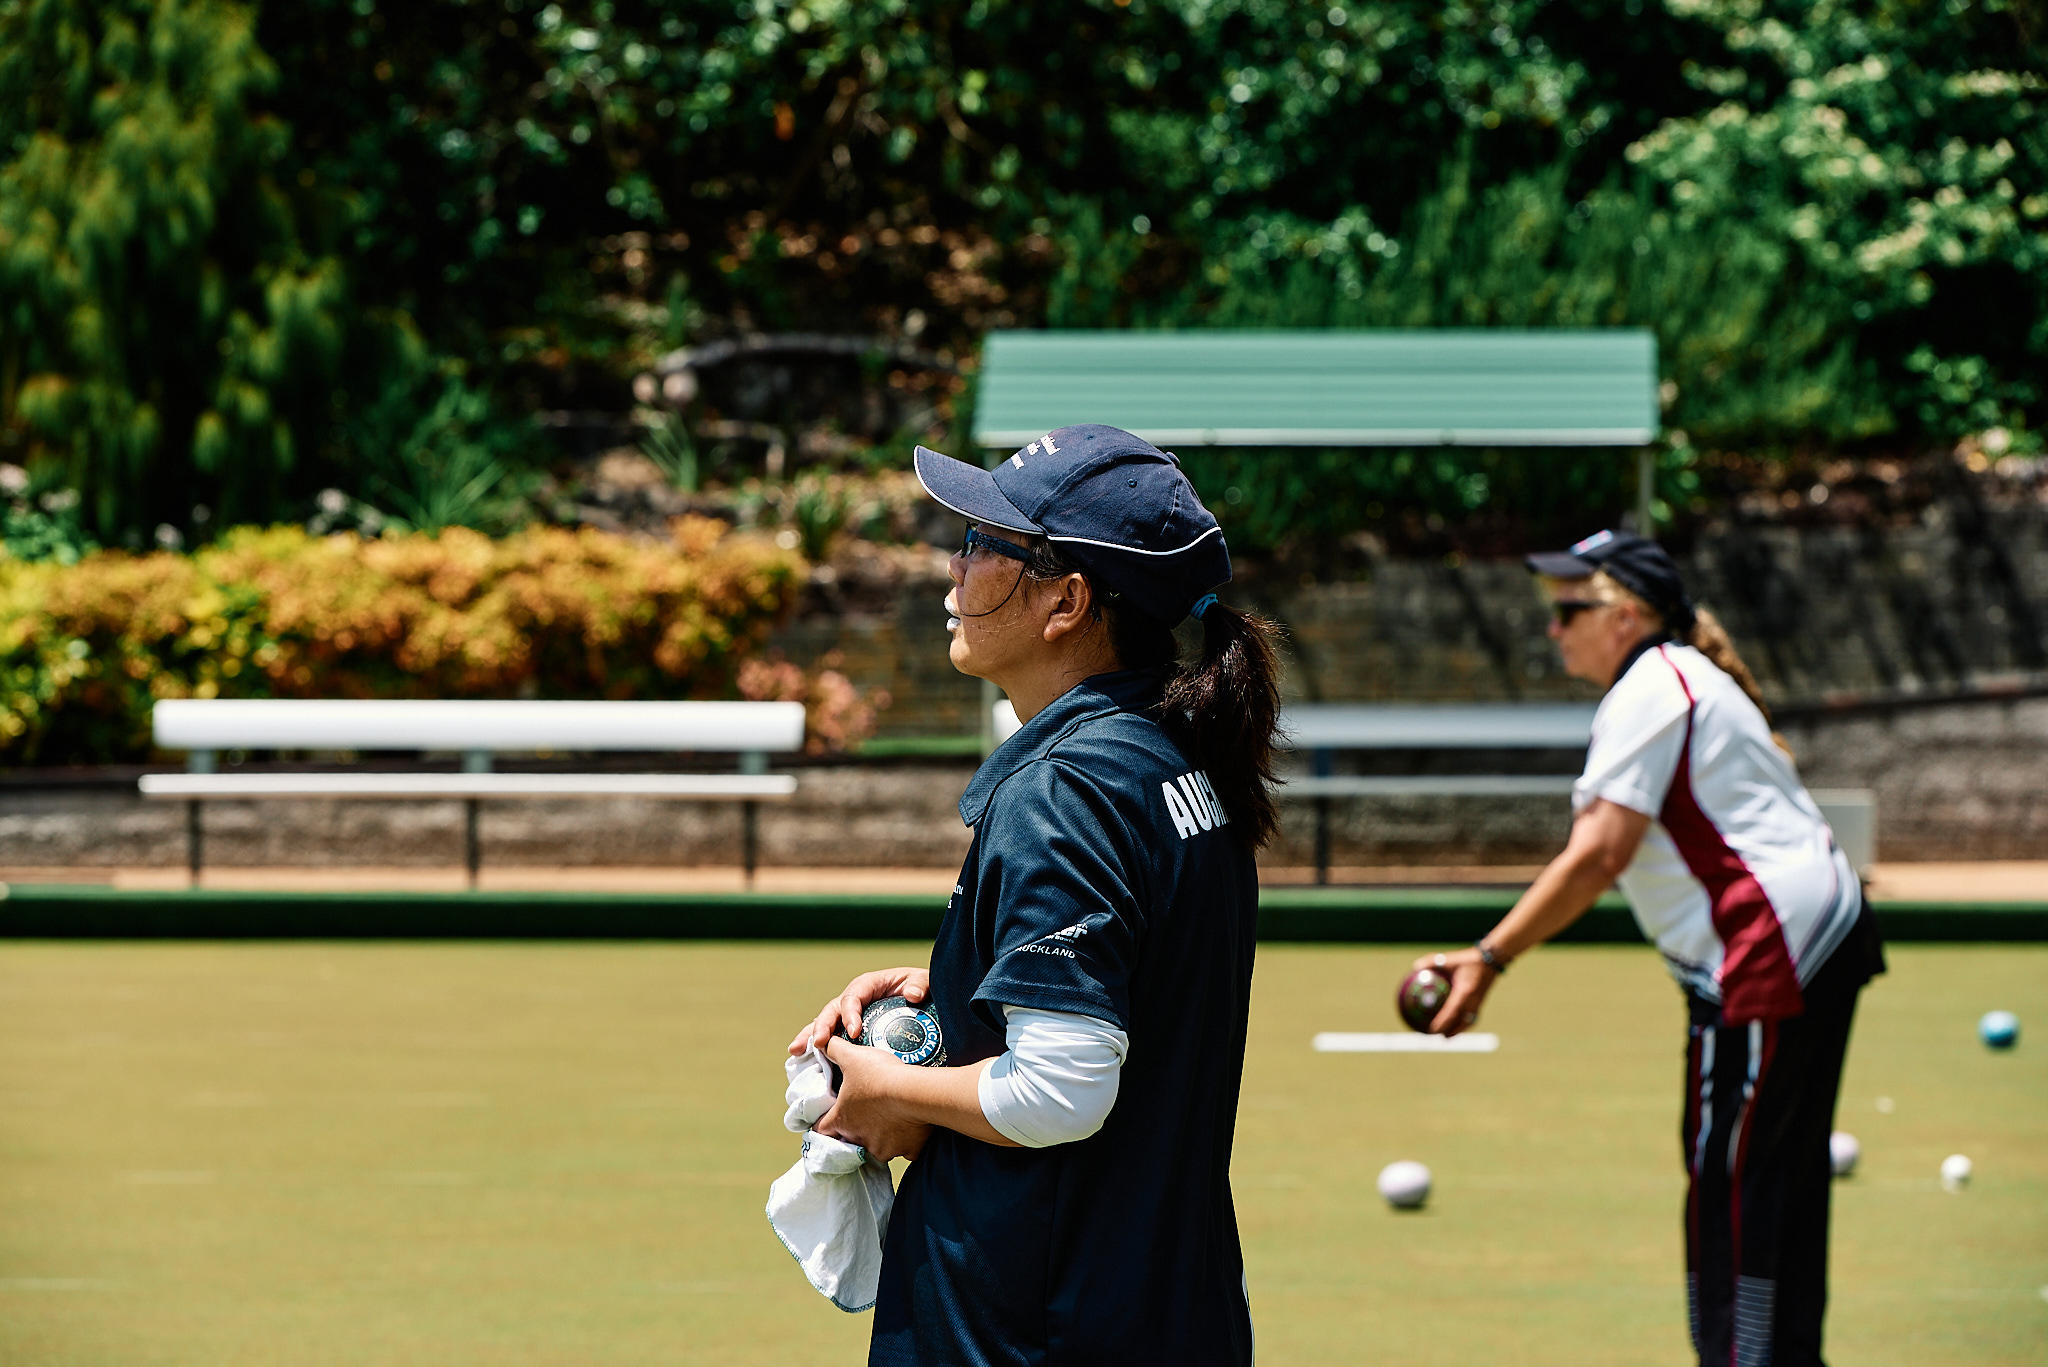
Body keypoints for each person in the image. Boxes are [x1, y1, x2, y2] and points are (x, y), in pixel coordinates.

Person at [788, 424, 1282, 1367]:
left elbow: (1062, 1090)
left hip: (1033, 1328)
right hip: (1162, 1310)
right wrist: (964, 982)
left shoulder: (1063, 788)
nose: (954, 567)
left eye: (984, 544)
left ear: (1066, 601)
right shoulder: (1169, 755)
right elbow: (1139, 987)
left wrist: (888, 1088)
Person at [1417, 528, 1884, 1367]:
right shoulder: (1685, 676)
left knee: (1730, 1178)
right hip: (1824, 934)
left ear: (1625, 616)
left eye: (1569, 609)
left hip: (1769, 948)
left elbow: (1601, 852)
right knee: (1778, 1175)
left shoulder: (1650, 686)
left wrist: (1488, 957)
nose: (1554, 627)